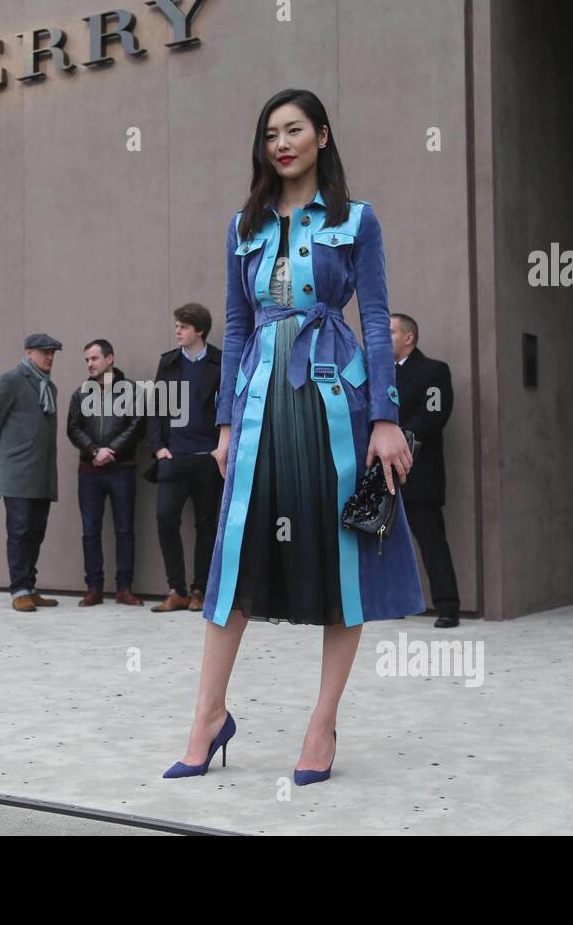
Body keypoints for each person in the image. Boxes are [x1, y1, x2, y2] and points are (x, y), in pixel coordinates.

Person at [163, 88, 425, 783]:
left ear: (322, 136)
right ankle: (208, 716)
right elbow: (238, 324)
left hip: (335, 401)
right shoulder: (241, 228)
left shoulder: (357, 222)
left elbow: (375, 322)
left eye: (294, 130)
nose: (281, 143)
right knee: (235, 557)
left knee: (344, 554)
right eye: (270, 133)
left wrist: (386, 417)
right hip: (254, 405)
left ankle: (322, 723)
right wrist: (221, 422)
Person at [146, 304, 224, 614]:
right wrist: (158, 447)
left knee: (206, 525)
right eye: (177, 326)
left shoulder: (221, 362)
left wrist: (222, 447)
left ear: (199, 331)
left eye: (183, 326)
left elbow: (231, 406)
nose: (177, 331)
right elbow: (155, 408)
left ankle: (199, 591)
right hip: (174, 457)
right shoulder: (168, 363)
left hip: (208, 458)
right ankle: (176, 590)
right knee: (166, 519)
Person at [0, 334, 62, 613]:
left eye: (52, 353)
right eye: (43, 352)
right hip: (16, 473)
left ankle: (30, 585)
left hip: (42, 474)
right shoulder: (10, 381)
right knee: (20, 531)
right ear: (28, 353)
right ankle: (19, 589)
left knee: (36, 531)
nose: (49, 357)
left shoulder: (49, 388)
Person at [392, 313, 460, 628]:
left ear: (409, 337)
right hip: (382, 474)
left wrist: (394, 440)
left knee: (431, 541)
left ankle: (447, 607)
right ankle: (395, 603)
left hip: (419, 473)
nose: (381, 337)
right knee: (384, 542)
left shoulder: (433, 371)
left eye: (390, 331)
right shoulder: (377, 373)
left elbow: (433, 416)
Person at [65, 339, 145, 607]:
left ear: (110, 359)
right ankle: (94, 589)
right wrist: (93, 450)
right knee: (90, 531)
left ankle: (124, 588)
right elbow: (73, 428)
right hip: (90, 472)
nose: (90, 364)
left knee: (124, 530)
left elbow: (137, 425)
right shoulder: (80, 394)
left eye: (94, 358)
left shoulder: (131, 391)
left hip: (121, 470)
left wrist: (111, 450)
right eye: (87, 360)